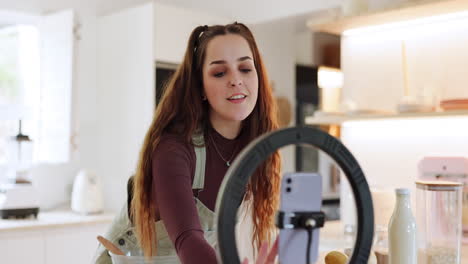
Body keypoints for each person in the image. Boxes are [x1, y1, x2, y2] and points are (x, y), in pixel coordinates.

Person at [96, 22, 281, 264]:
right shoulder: (174, 148)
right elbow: (188, 239)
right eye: (219, 72)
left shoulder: (251, 151)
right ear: (200, 86)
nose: (236, 80)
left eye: (245, 68)